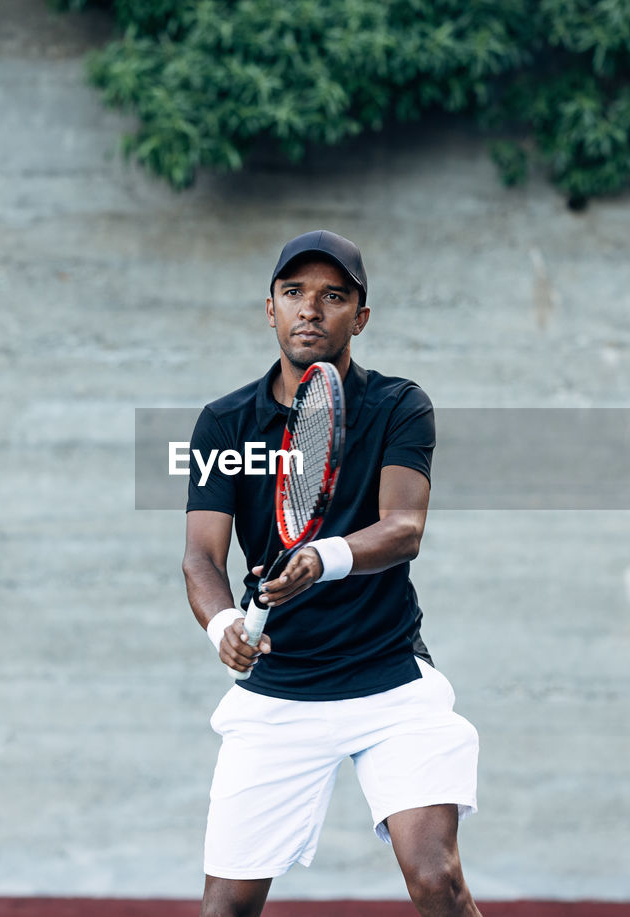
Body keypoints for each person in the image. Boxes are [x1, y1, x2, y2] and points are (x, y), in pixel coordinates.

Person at [182, 230, 482, 917]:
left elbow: (404, 528)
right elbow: (201, 555)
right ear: (270, 310)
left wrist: (322, 558)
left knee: (437, 880)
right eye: (294, 294)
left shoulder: (400, 405)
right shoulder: (223, 424)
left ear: (361, 317)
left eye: (333, 296)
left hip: (388, 678)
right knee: (223, 910)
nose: (310, 310)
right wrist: (226, 623)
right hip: (278, 692)